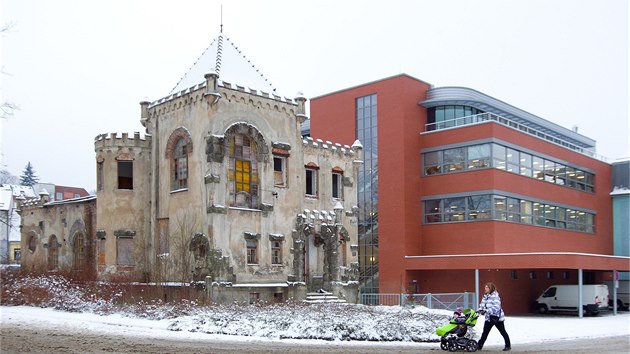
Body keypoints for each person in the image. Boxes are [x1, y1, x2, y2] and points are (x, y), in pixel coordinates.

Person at [476, 282, 511, 351]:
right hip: (488, 318)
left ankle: (508, 345)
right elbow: (482, 305)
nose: (485, 289)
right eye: (485, 287)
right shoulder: (485, 296)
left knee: (502, 331)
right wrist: (480, 309)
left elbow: (496, 307)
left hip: (497, 318)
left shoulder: (495, 296)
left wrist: (486, 311)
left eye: (486, 287)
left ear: (490, 288)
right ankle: (479, 346)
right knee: (485, 332)